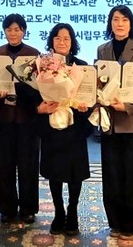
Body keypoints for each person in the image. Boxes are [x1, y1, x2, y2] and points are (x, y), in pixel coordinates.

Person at [96, 5, 133, 239]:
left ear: (131, 24)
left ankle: (132, 225)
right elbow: (99, 81)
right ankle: (115, 222)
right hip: (109, 123)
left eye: (124, 20)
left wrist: (127, 106)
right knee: (112, 176)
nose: (119, 24)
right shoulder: (102, 49)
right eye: (115, 19)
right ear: (110, 23)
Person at [36, 23, 90, 236]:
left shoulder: (82, 67)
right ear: (51, 41)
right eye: (57, 38)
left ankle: (73, 211)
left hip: (75, 127)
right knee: (55, 172)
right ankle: (59, 212)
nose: (62, 42)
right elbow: (35, 94)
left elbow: (89, 95)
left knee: (75, 174)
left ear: (72, 42)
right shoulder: (42, 66)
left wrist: (85, 106)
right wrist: (41, 108)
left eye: (66, 38)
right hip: (52, 126)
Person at [0, 13, 41, 224]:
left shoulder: (33, 55)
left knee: (28, 165)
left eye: (17, 29)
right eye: (9, 29)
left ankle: (28, 208)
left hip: (27, 118)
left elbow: (39, 89)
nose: (13, 33)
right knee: (4, 165)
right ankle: (7, 208)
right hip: (4, 118)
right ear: (4, 31)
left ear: (24, 31)